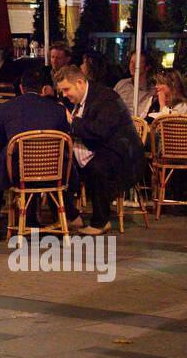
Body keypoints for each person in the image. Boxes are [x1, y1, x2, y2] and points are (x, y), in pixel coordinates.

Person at [0, 66, 79, 240]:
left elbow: (1, 144)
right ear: (44, 89)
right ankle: (66, 215)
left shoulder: (5, 109)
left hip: (19, 173)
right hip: (53, 173)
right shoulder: (58, 110)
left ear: (21, 87)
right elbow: (66, 140)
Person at [54, 64, 142, 236]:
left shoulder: (105, 98)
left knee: (97, 168)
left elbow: (100, 131)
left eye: (66, 90)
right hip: (90, 148)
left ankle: (101, 222)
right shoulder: (72, 99)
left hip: (120, 152)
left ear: (79, 83)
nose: (64, 95)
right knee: (56, 167)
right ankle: (72, 216)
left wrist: (72, 121)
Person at [113, 51, 155, 118]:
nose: (132, 66)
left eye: (137, 63)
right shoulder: (122, 84)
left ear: (147, 67)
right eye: (131, 62)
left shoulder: (151, 91)